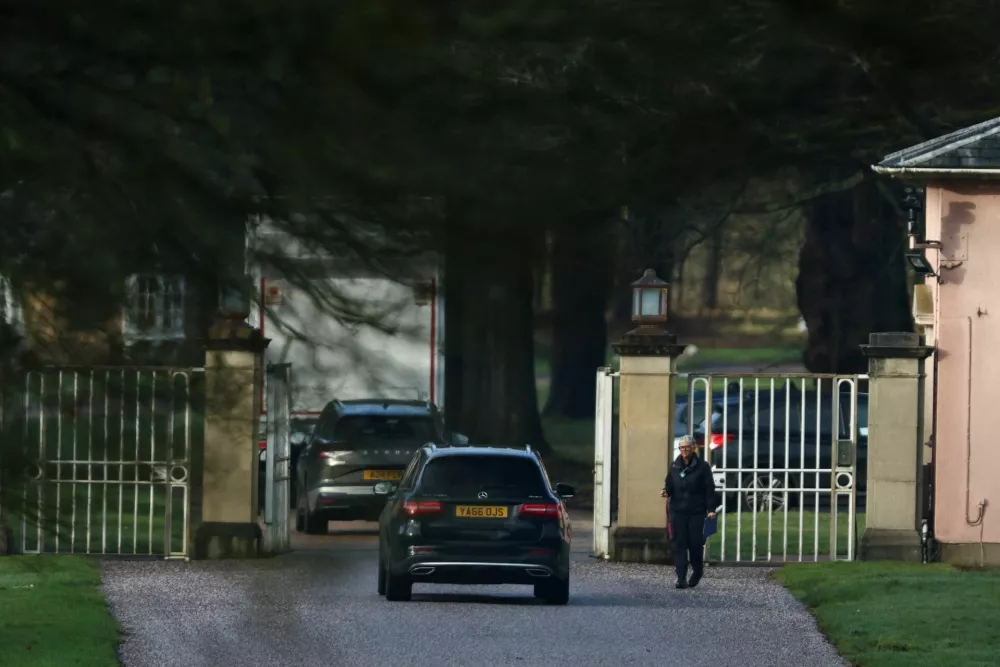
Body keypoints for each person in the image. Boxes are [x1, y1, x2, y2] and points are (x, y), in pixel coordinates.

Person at [661, 435, 717, 589]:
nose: (684, 450)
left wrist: (710, 510)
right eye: (681, 447)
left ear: (693, 448)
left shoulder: (702, 467)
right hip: (677, 512)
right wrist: (665, 491)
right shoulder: (674, 466)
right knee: (679, 544)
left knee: (695, 544)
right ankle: (681, 577)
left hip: (696, 512)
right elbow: (669, 484)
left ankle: (697, 571)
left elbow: (709, 490)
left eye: (687, 447)